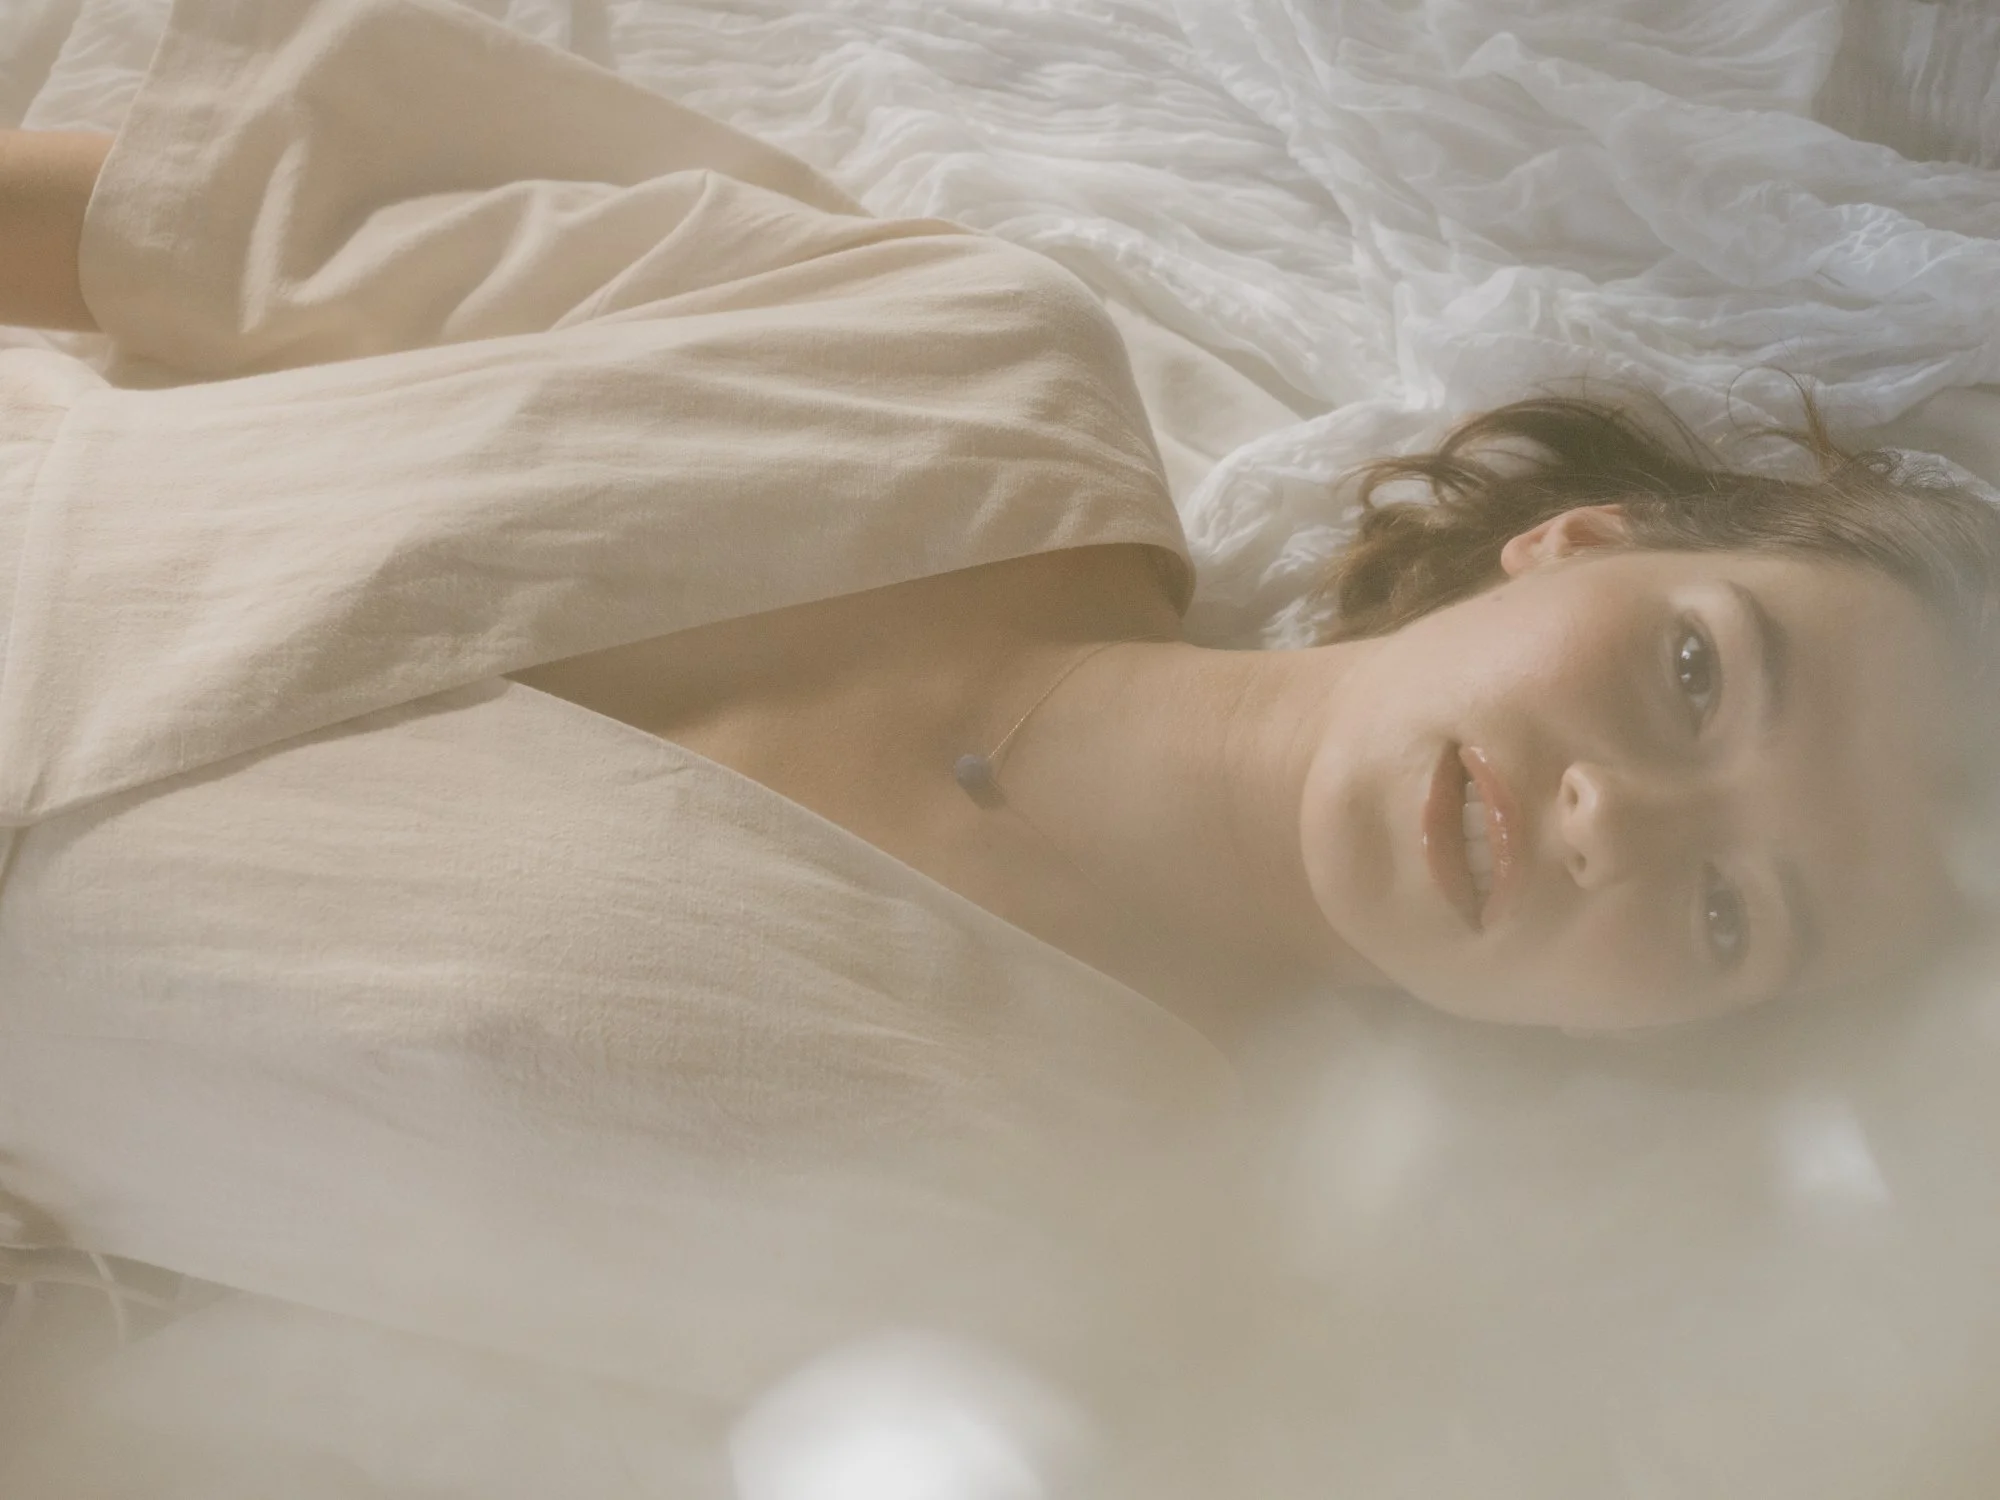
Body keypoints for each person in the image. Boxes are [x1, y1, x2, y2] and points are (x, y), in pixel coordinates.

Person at [1, 0, 1998, 1482]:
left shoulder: (1090, 1241)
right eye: (1696, 679)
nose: (1613, 820)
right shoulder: (969, 356)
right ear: (1584, 542)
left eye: (1732, 914)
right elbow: (203, 229)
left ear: (1657, 1038)